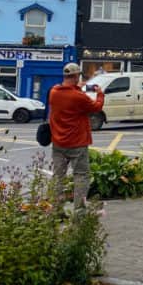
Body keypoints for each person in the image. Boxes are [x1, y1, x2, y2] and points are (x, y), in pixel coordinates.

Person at [48, 62, 105, 211]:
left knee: (58, 176)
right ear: (75, 77)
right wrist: (99, 94)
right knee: (81, 175)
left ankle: (56, 209)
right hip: (77, 143)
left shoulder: (54, 92)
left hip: (58, 143)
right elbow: (97, 107)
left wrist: (81, 87)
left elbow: (69, 93)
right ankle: (79, 210)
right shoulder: (78, 97)